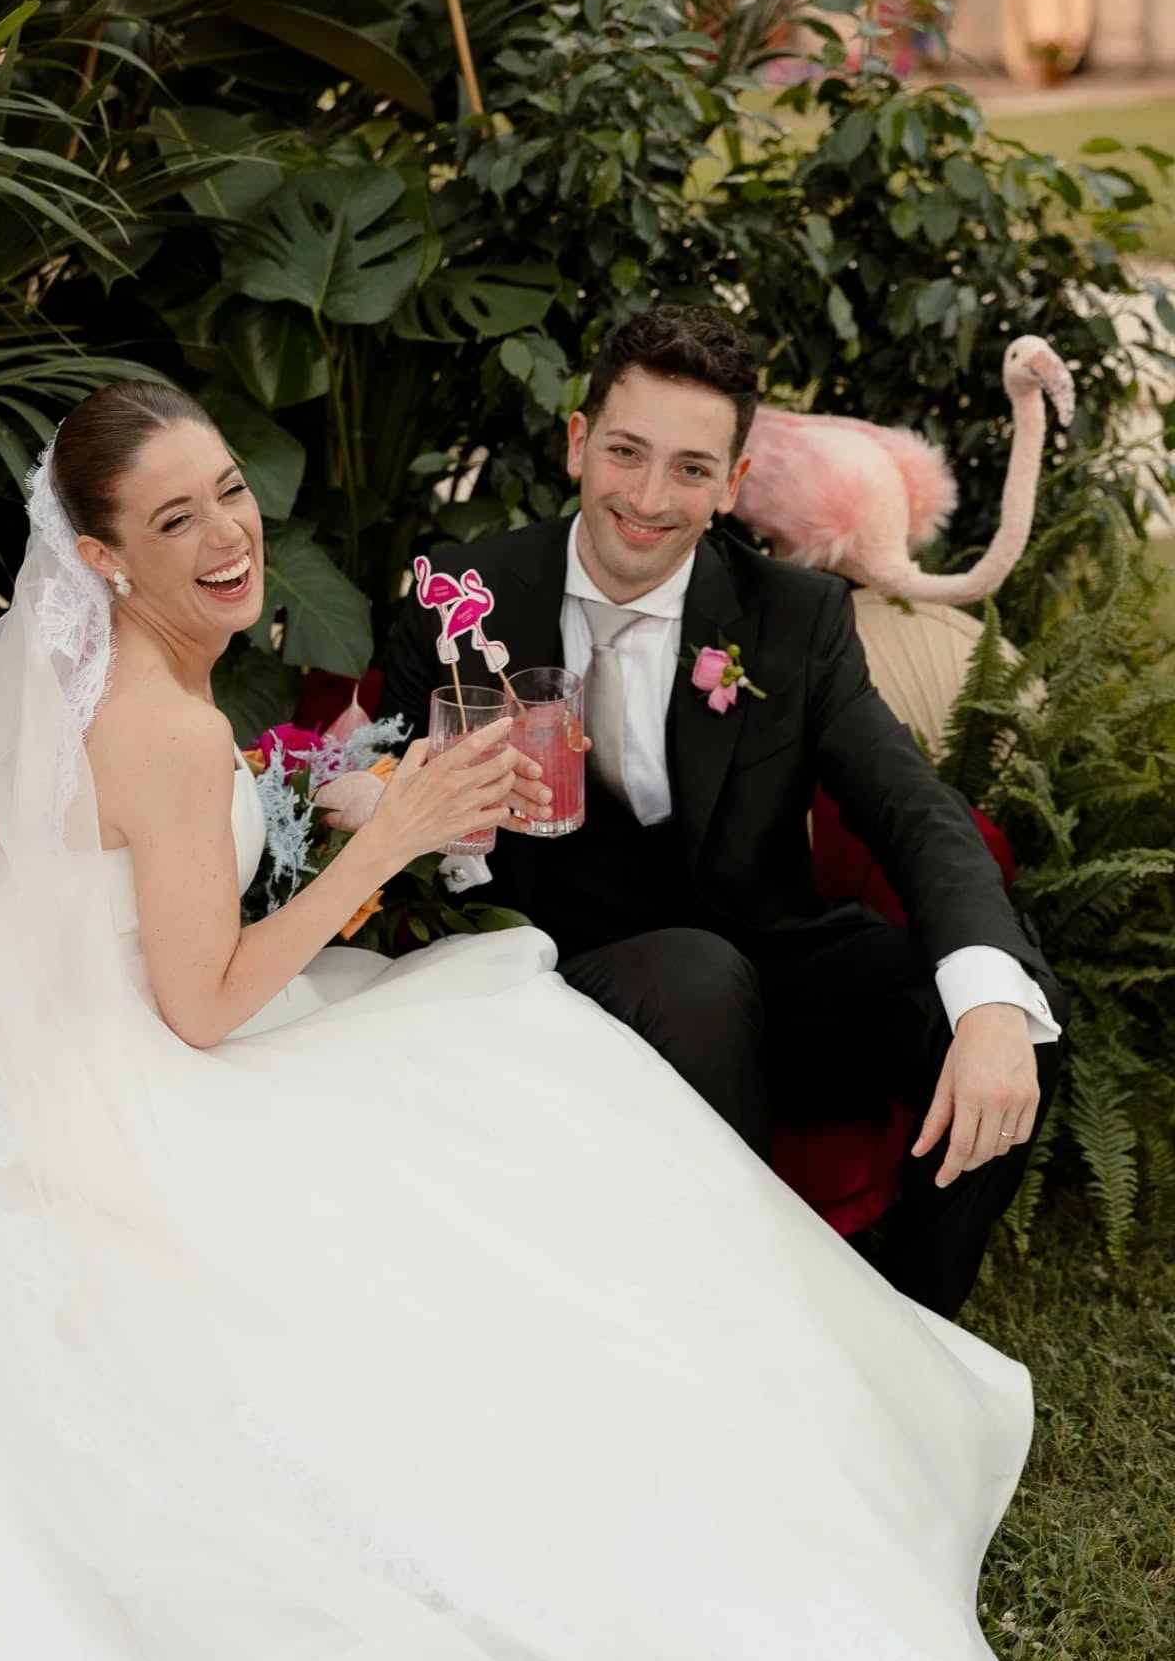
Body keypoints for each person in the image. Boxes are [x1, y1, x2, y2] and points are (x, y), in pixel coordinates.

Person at [0, 381, 1061, 1661]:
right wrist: (394, 834)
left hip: (80, 1065)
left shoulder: (107, 689)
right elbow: (202, 1005)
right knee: (523, 1102)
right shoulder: (167, 722)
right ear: (101, 559)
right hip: (163, 1076)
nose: (226, 536)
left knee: (524, 1068)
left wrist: (340, 796)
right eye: (175, 518)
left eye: (231, 494)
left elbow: (146, 873)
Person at [381, 306, 1068, 1321]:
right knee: (694, 978)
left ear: (735, 484)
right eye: (626, 453)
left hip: (764, 969)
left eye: (693, 470)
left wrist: (991, 1000)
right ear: (579, 443)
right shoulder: (462, 597)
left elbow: (914, 807)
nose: (650, 500)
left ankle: (901, 1323)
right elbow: (383, 816)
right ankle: (750, 1327)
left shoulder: (794, 616)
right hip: (540, 987)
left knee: (1011, 1006)